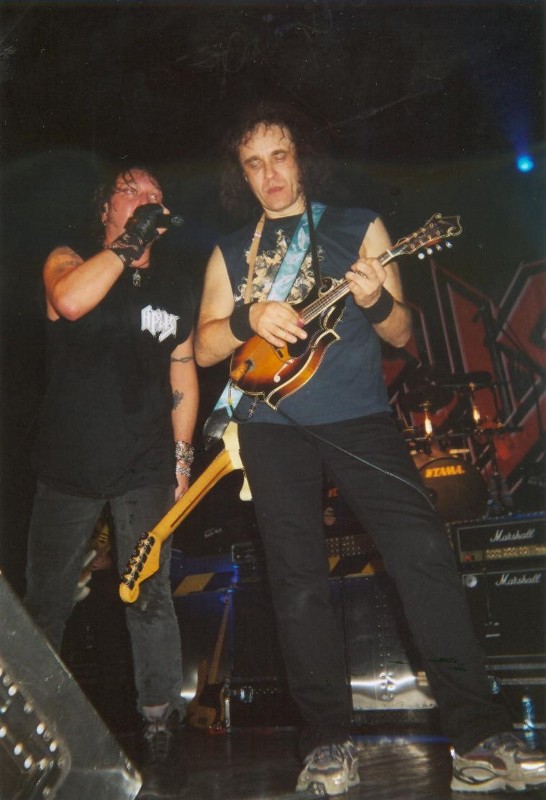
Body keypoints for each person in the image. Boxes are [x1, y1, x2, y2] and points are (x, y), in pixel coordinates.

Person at [195, 102, 546, 796]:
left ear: (301, 158)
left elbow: (403, 334)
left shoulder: (359, 227)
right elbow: (205, 345)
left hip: (359, 419)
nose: (270, 174)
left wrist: (375, 301)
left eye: (280, 156)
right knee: (297, 582)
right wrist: (247, 314)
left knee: (423, 554)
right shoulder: (231, 251)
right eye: (254, 163)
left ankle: (480, 735)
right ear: (242, 174)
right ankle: (328, 742)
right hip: (271, 428)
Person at [25, 165, 198, 800]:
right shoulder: (67, 260)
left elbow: (182, 369)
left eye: (157, 195)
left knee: (149, 594)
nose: (148, 199)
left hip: (144, 465)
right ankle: (35, 730)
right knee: (48, 602)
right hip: (68, 464)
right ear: (107, 209)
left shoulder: (174, 287)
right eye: (133, 190)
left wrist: (181, 461)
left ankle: (161, 726)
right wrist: (128, 246)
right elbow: (71, 301)